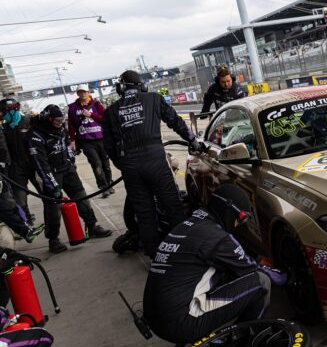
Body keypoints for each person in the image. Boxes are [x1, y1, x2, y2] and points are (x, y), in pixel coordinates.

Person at [143, 184, 282, 345]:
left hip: (154, 319)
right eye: (241, 218)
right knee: (261, 282)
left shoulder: (188, 225)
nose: (238, 224)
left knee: (220, 275)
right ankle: (246, 344)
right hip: (181, 323)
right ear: (228, 210)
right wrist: (276, 273)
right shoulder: (217, 237)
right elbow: (249, 269)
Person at [102, 70, 201, 257]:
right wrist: (192, 140)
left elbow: (108, 147)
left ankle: (155, 256)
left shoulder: (110, 112)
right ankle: (186, 251)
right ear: (141, 85)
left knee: (144, 213)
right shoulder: (153, 98)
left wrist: (123, 164)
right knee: (172, 205)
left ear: (121, 88)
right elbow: (175, 122)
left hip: (130, 165)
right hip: (155, 160)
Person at [27, 105, 111, 254]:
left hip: (66, 168)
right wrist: (53, 185)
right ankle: (53, 240)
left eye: (62, 119)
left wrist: (71, 162)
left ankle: (92, 226)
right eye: (57, 120)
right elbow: (40, 163)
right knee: (53, 206)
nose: (60, 122)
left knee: (81, 196)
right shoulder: (35, 135)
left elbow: (67, 145)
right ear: (48, 118)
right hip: (49, 172)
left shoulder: (60, 128)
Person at [67, 85, 113, 198]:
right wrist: (72, 140)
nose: (82, 94)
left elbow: (105, 119)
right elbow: (71, 125)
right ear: (77, 94)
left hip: (102, 139)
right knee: (96, 163)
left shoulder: (97, 104)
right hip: (86, 141)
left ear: (88, 92)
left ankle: (110, 184)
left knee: (105, 164)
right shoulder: (72, 108)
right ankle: (103, 187)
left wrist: (91, 115)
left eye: (84, 92)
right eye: (80, 92)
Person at [0, 128, 43, 245]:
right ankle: (25, 229)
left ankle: (25, 229)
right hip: (11, 168)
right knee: (8, 204)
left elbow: (3, 149)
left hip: (11, 169)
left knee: (8, 205)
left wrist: (3, 166)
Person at [0, 99, 37, 224]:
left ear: (11, 111)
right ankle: (28, 225)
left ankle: (53, 234)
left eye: (2, 112)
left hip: (34, 164)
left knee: (49, 196)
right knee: (20, 200)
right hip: (15, 168)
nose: (2, 116)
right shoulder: (4, 128)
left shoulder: (30, 122)